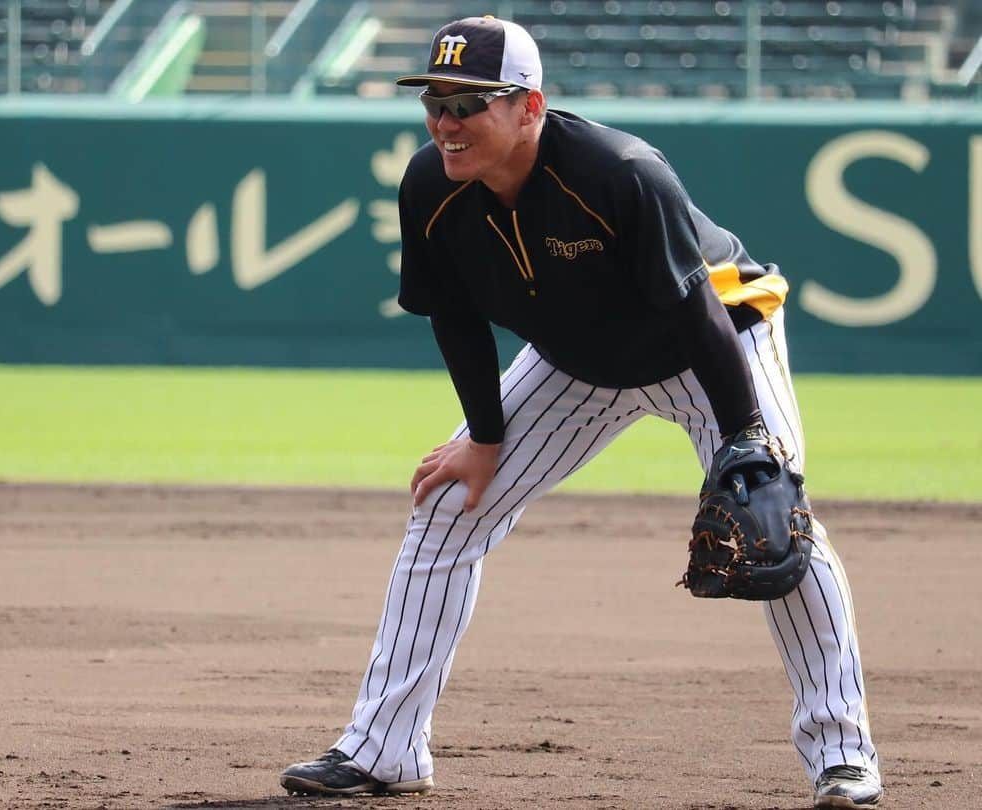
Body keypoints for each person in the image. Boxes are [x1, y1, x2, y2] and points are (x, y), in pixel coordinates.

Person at [281, 15, 882, 809]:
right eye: (435, 101)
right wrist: (485, 440)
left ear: (529, 106)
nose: (445, 123)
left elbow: (696, 311)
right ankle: (383, 750)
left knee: (776, 523)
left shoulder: (620, 173)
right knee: (447, 509)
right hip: (579, 364)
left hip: (711, 346)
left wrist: (748, 442)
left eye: (469, 103)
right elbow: (453, 317)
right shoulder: (432, 186)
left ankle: (843, 757)